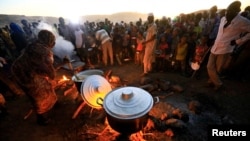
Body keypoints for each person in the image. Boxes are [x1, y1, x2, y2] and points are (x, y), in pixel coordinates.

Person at [11, 30, 58, 125]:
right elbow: (46, 68)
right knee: (38, 94)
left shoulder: (35, 44)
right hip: (27, 75)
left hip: (19, 70)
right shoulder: (45, 51)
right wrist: (52, 74)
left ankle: (54, 103)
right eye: (53, 41)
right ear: (50, 41)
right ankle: (41, 118)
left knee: (47, 86)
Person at [206, 1, 250, 91]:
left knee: (218, 69)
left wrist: (238, 41)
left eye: (230, 11)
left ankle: (213, 82)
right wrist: (215, 40)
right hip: (215, 46)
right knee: (209, 66)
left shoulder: (242, 21)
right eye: (227, 10)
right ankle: (219, 84)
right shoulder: (223, 19)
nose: (228, 12)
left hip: (226, 48)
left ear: (236, 11)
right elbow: (220, 33)